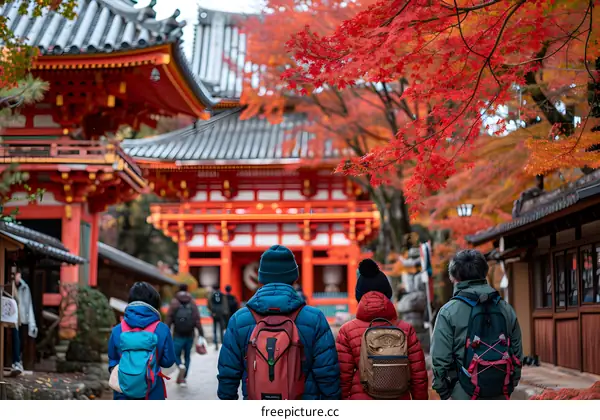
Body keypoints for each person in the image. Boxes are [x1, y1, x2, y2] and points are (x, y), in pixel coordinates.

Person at [217, 244, 340, 400]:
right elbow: (327, 372)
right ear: (294, 277)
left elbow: (228, 373)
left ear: (261, 278)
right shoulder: (314, 318)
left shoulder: (239, 319)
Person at [431, 249, 523, 400]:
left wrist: (444, 391)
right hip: (500, 389)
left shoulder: (448, 311)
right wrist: (510, 384)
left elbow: (440, 359)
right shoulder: (505, 308)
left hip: (464, 391)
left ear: (453, 276)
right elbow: (517, 352)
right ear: (484, 273)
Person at [336, 259, 428, 400]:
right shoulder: (405, 329)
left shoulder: (347, 331)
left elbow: (343, 376)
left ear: (359, 296)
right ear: (387, 293)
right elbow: (418, 376)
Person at [108, 282, 175, 400]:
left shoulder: (117, 330)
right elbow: (168, 361)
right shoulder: (162, 329)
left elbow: (113, 360)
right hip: (152, 391)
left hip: (123, 391)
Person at [165, 283, 205, 387]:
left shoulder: (174, 302)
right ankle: (183, 378)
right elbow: (197, 319)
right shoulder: (192, 302)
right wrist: (201, 333)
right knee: (187, 356)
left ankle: (179, 365)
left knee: (175, 354)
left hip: (178, 334)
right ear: (187, 289)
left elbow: (169, 318)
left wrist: (166, 331)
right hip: (190, 334)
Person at [7, 268, 38, 375]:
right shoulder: (9, 285)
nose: (17, 277)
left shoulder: (24, 287)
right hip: (10, 316)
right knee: (14, 338)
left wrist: (31, 324)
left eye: (18, 275)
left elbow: (28, 305)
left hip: (21, 317)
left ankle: (18, 361)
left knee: (20, 340)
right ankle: (15, 361)